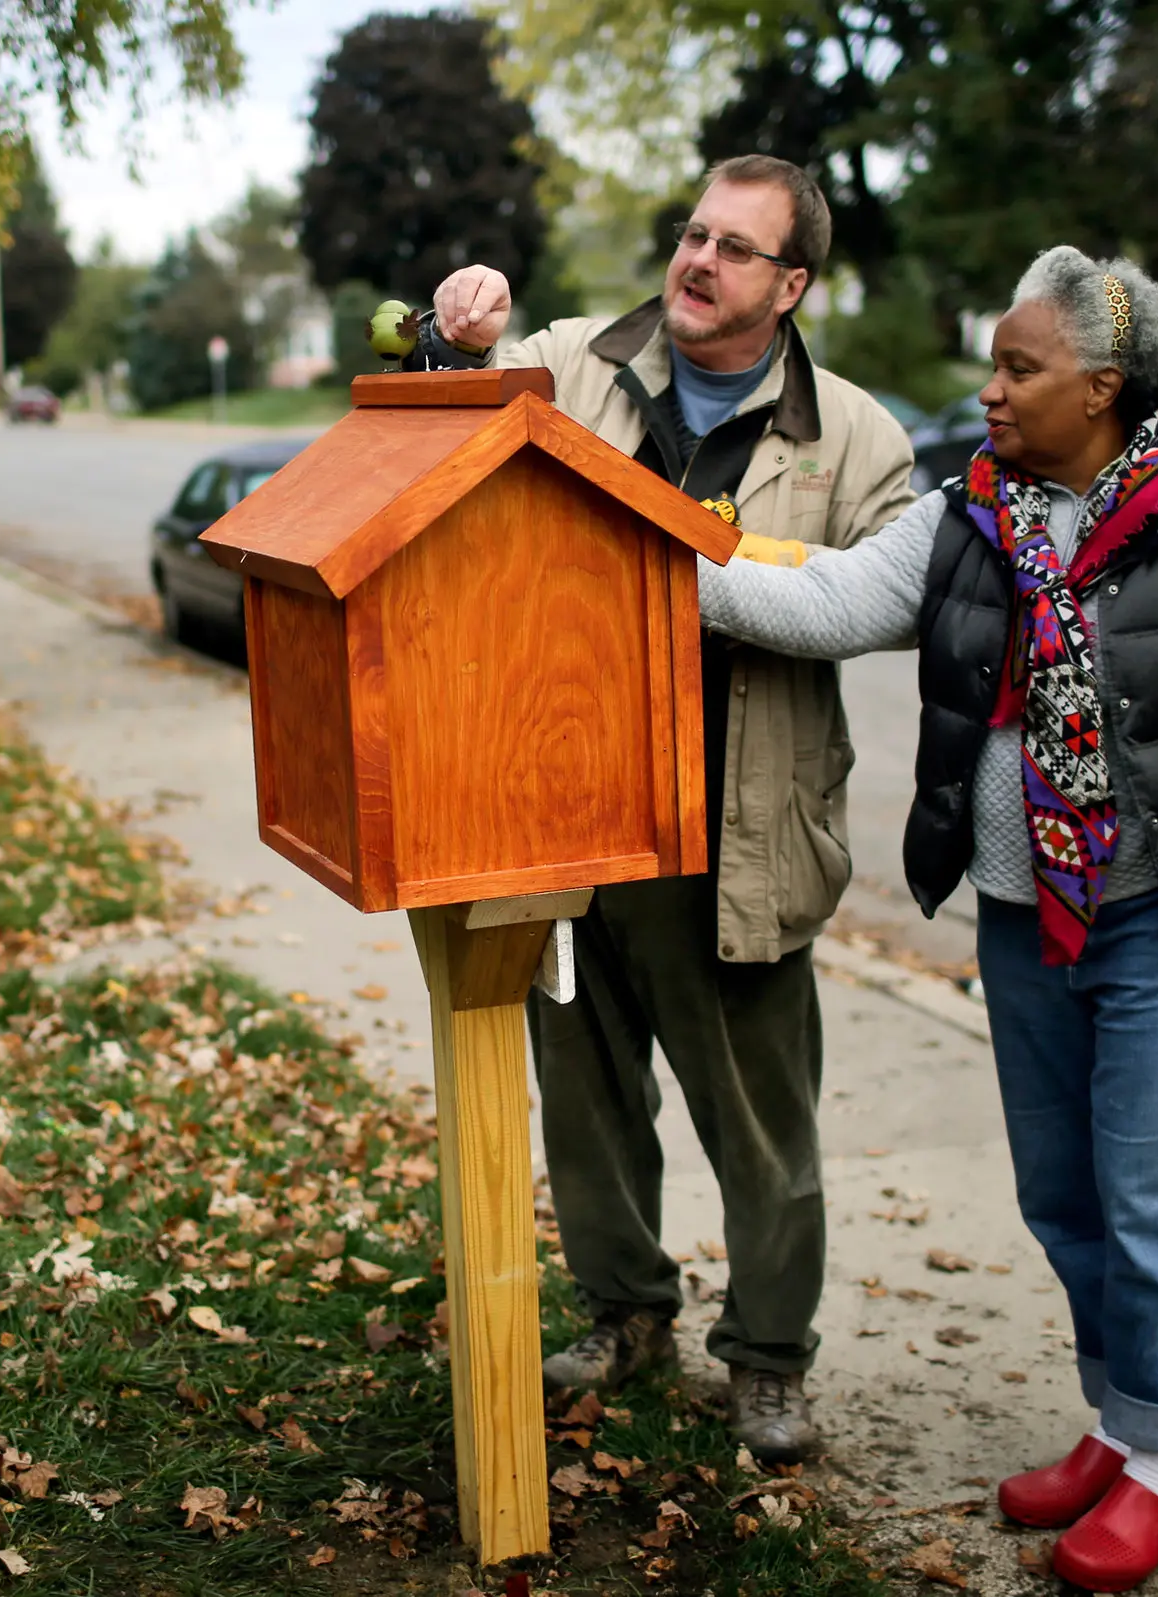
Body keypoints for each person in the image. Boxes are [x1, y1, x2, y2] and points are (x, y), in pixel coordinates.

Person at [696, 245, 1158, 1592]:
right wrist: (657, 563)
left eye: (1017, 368)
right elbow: (825, 600)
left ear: (1102, 388)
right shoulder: (972, 517)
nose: (987, 391)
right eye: (995, 365)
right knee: (1068, 1201)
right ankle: (1122, 1426)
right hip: (1024, 919)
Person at [415, 155, 916, 1462]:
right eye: (691, 233)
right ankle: (627, 1310)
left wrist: (689, 569)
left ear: (791, 282)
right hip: (567, 813)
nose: (698, 260)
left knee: (763, 1129)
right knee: (584, 1098)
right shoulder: (571, 361)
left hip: (738, 831)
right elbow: (440, 432)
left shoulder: (856, 435)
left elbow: (888, 598)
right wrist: (451, 337)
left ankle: (767, 1360)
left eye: (735, 248)